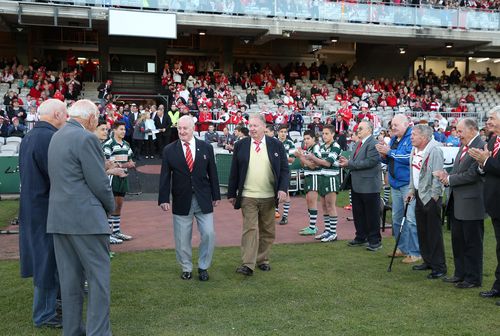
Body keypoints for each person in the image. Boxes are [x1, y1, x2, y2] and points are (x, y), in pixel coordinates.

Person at [47, 99, 115, 336]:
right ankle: (98, 333)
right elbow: (99, 183)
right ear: (91, 118)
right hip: (86, 220)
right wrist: (110, 206)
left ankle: (73, 331)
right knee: (98, 281)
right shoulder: (87, 138)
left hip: (59, 220)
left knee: (69, 282)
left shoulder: (57, 136)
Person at [18, 99, 67, 329]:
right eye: (65, 115)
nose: (66, 120)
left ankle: (51, 307)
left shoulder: (30, 136)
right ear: (57, 114)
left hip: (33, 206)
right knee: (46, 261)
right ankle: (45, 314)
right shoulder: (49, 138)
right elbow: (57, 175)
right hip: (45, 209)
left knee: (46, 260)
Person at [158, 115, 221, 281]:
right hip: (181, 199)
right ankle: (186, 267)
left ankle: (203, 266)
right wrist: (164, 198)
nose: (182, 131)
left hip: (203, 198)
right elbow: (165, 176)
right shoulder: (169, 150)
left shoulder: (206, 147)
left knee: (209, 234)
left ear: (193, 128)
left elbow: (212, 173)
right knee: (182, 238)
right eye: (179, 128)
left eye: (185, 128)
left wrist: (216, 195)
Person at [228, 114, 289, 276]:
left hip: (269, 195)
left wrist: (283, 189)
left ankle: (262, 259)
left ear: (264, 127)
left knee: (268, 230)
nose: (252, 128)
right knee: (250, 228)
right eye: (250, 125)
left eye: (255, 125)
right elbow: (234, 170)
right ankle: (248, 264)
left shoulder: (276, 145)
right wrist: (231, 193)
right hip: (248, 195)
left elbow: (284, 169)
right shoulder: (241, 145)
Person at [434, 118, 485, 288]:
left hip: (471, 203)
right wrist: (446, 174)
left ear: (471, 129)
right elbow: (459, 170)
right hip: (457, 202)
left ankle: (473, 278)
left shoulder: (480, 145)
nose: (457, 134)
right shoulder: (465, 146)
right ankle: (460, 273)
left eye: (460, 131)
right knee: (458, 240)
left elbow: (473, 175)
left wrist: (449, 179)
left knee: (472, 242)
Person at [376, 114, 421, 264]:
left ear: (406, 124)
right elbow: (390, 159)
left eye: (396, 125)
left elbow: (408, 156)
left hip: (407, 184)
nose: (393, 127)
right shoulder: (395, 138)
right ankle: (403, 248)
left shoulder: (411, 137)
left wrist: (388, 152)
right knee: (396, 218)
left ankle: (415, 252)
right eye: (392, 125)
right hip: (395, 184)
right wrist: (383, 154)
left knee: (410, 219)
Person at [406, 124, 447, 280]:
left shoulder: (435, 150)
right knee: (422, 231)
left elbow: (438, 175)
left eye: (414, 135)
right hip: (419, 195)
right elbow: (413, 173)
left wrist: (435, 196)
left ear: (423, 137)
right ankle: (428, 261)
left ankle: (439, 267)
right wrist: (411, 190)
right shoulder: (414, 150)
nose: (411, 137)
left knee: (434, 233)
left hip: (430, 197)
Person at [469, 106, 500, 304]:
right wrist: (482, 165)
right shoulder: (492, 140)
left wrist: (486, 161)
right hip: (494, 203)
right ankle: (498, 286)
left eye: (492, 118)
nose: (488, 121)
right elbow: (487, 169)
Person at [339, 121, 382, 251]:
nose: (358, 130)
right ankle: (361, 236)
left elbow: (371, 162)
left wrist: (349, 164)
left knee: (371, 214)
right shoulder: (358, 143)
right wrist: (348, 162)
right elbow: (357, 162)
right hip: (357, 183)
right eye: (358, 128)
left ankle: (375, 240)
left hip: (369, 185)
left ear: (369, 130)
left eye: (361, 128)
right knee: (358, 213)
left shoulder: (374, 144)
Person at [307, 125, 342, 242]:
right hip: (322, 177)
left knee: (330, 205)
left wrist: (313, 158)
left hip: (331, 177)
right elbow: (317, 163)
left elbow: (327, 163)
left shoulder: (336, 146)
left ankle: (333, 232)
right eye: (323, 134)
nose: (324, 136)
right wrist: (310, 159)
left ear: (333, 134)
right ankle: (327, 231)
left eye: (327, 133)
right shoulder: (321, 147)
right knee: (324, 206)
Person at [102, 121, 136, 244]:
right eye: (121, 129)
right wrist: (124, 164)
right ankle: (108, 233)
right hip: (113, 177)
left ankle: (116, 231)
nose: (123, 132)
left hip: (123, 176)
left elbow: (130, 159)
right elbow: (107, 163)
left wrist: (128, 164)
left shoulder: (126, 144)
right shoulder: (109, 144)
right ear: (114, 130)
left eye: (124, 130)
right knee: (111, 204)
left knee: (119, 204)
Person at [295, 130, 322, 236]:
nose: (305, 141)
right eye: (304, 139)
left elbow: (313, 165)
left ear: (313, 139)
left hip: (314, 175)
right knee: (308, 200)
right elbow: (303, 164)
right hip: (308, 175)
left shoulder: (316, 147)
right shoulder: (309, 148)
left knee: (312, 200)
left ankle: (313, 227)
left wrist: (301, 156)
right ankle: (312, 225)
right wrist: (300, 155)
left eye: (308, 138)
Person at [275, 125, 295, 225]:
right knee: (273, 191)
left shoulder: (290, 143)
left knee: (285, 192)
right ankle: (275, 211)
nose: (283, 134)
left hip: (285, 170)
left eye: (285, 132)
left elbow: (292, 159)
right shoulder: (273, 141)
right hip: (274, 170)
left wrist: (279, 157)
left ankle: (285, 216)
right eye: (281, 131)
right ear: (278, 132)